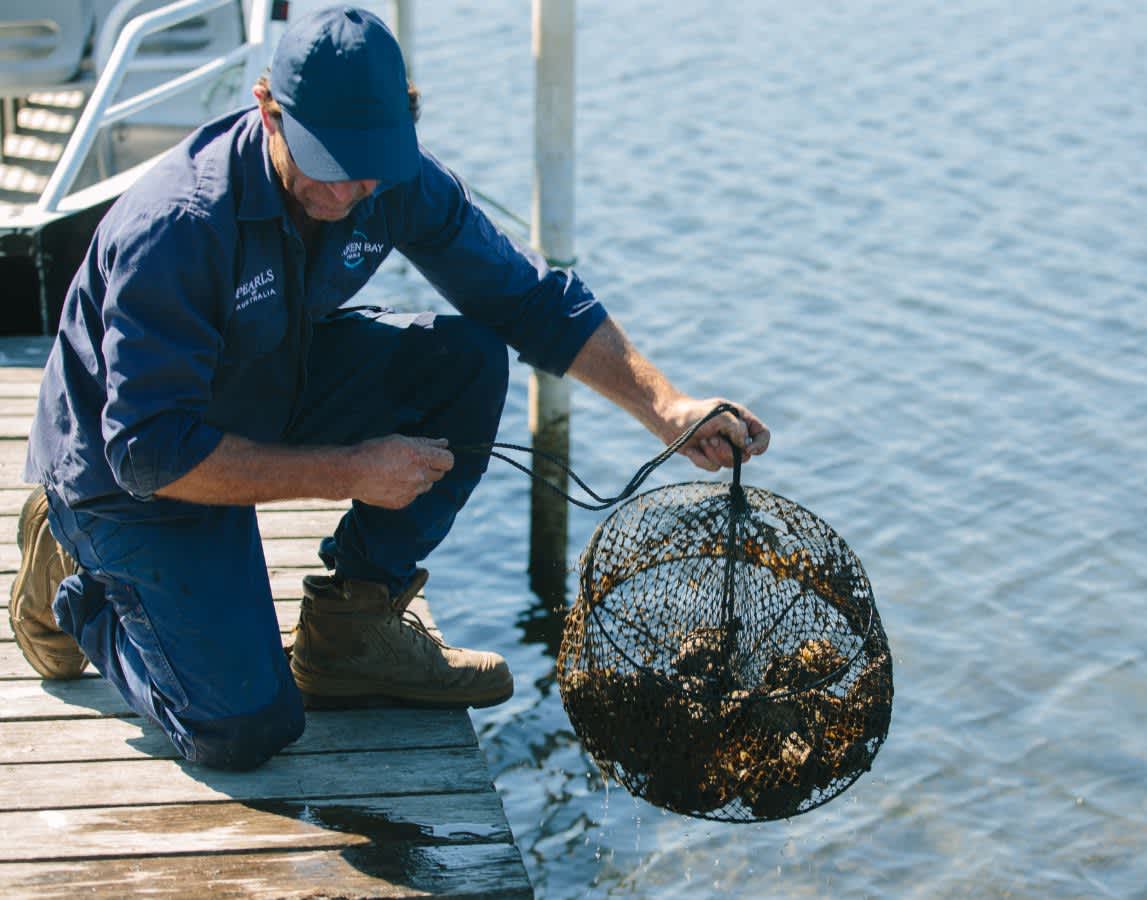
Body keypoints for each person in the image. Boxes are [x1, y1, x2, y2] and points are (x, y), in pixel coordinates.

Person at [7, 6, 769, 771]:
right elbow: (149, 452)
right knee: (241, 730)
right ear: (267, 109)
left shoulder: (393, 180)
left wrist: (665, 405)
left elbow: (528, 300)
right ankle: (77, 578)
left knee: (469, 358)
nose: (344, 192)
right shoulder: (177, 225)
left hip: (266, 382)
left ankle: (352, 629)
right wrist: (349, 470)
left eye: (365, 165)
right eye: (324, 162)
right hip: (132, 471)